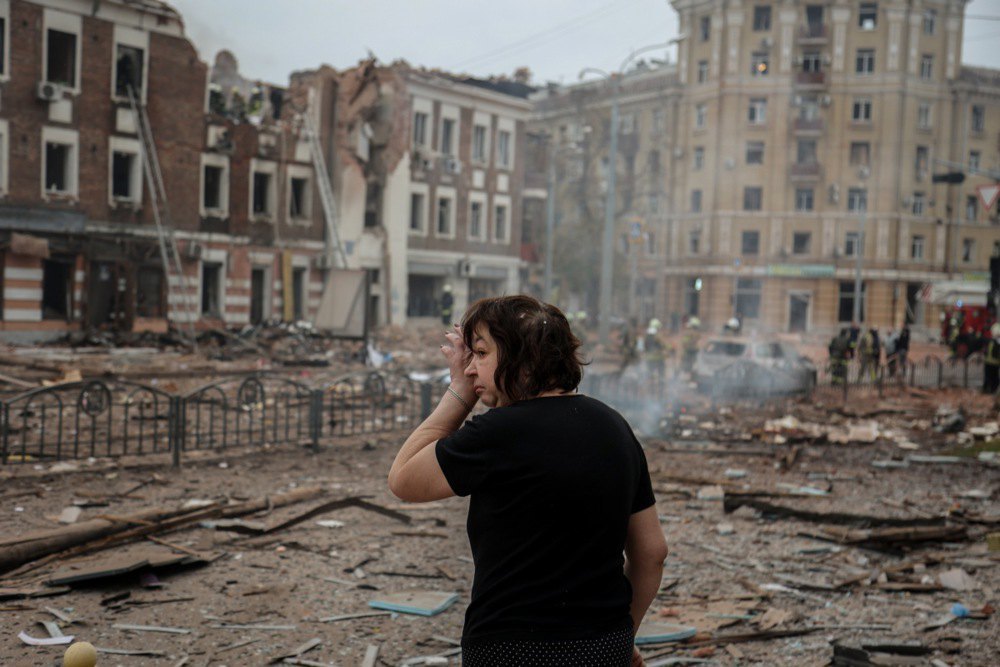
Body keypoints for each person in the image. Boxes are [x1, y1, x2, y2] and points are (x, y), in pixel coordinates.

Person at [388, 295, 667, 666]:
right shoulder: (615, 428)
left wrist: (458, 393)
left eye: (482, 354)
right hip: (604, 646)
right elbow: (652, 552)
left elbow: (403, 478)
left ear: (523, 359)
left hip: (510, 649)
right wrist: (619, 635)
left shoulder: (498, 433)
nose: (470, 369)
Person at [984, 324, 1000, 394]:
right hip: (993, 363)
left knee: (990, 377)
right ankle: (990, 389)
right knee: (993, 378)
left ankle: (988, 389)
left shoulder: (991, 341)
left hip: (989, 362)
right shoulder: (995, 342)